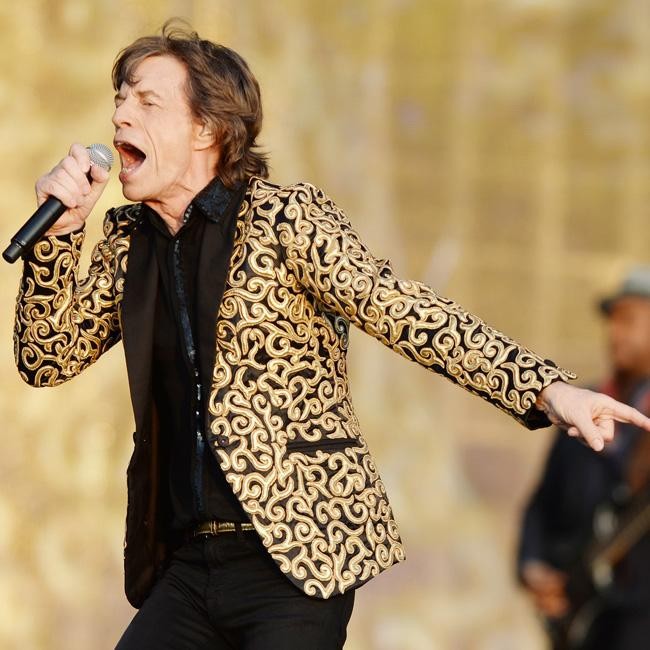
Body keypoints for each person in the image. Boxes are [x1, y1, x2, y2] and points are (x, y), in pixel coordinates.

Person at [12, 21, 650, 650]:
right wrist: (59, 238)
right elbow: (47, 358)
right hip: (188, 560)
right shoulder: (128, 241)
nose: (120, 115)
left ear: (207, 129)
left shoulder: (283, 217)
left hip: (296, 555)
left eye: (147, 101)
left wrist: (546, 389)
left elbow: (403, 310)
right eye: (120, 98)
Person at [518, 268, 650, 650]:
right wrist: (533, 566)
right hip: (581, 615)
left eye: (629, 320)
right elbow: (542, 501)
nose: (615, 333)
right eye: (612, 321)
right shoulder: (581, 404)